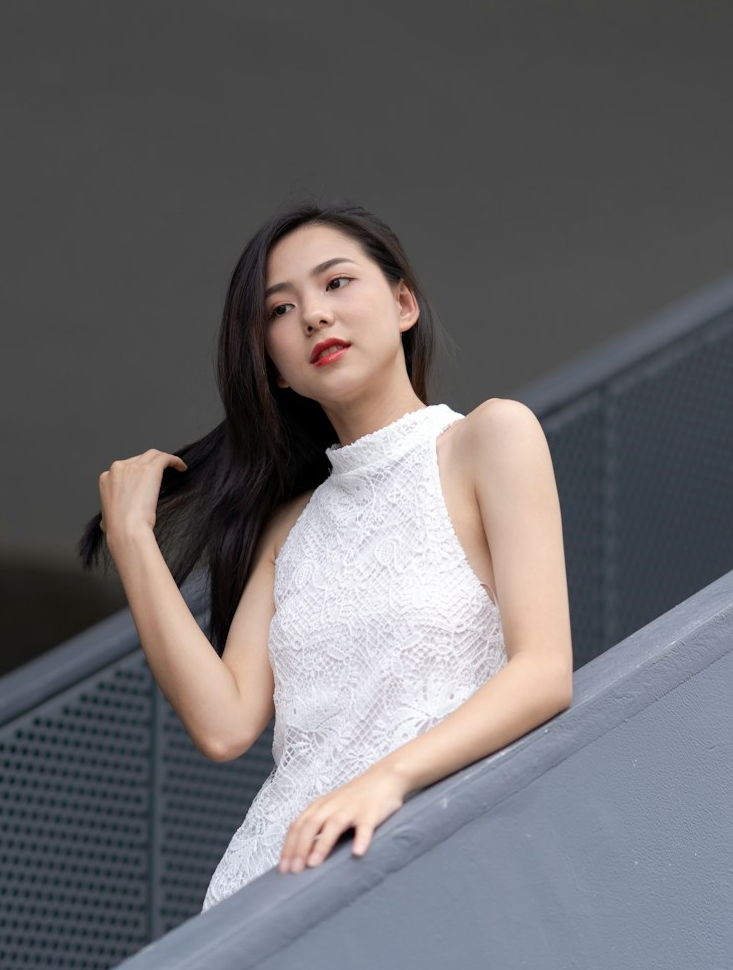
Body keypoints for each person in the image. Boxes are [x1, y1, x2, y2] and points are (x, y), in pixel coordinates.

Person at [80, 202, 572, 910]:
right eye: (280, 310)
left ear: (404, 304)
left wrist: (386, 780)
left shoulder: (490, 440)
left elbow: (544, 672)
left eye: (336, 283)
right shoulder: (294, 524)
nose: (312, 316)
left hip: (415, 857)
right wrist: (132, 540)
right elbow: (224, 726)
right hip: (268, 886)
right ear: (275, 370)